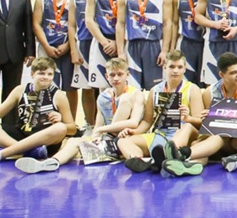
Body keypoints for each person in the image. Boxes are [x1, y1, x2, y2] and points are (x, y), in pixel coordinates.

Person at [14, 57, 144, 174]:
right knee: (74, 141)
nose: (116, 78)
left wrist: (101, 130)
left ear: (127, 75)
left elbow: (133, 123)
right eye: (112, 75)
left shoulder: (135, 94)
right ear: (106, 76)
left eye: (120, 74)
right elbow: (98, 123)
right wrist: (96, 136)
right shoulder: (104, 96)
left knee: (125, 99)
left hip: (125, 140)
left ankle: (134, 159)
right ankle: (51, 163)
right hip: (108, 139)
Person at [0, 56, 74, 165]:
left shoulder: (58, 96)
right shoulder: (20, 90)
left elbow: (72, 128)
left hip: (45, 141)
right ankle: (27, 151)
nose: (46, 77)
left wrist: (60, 120)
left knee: (60, 128)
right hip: (21, 135)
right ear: (32, 74)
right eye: (41, 73)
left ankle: (5, 152)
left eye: (50, 74)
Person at [117, 50, 204, 176]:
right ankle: (140, 161)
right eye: (172, 67)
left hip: (184, 134)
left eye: (179, 67)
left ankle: (169, 155)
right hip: (161, 134)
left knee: (187, 126)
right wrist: (134, 132)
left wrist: (188, 118)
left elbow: (200, 122)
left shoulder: (192, 89)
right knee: (123, 141)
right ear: (164, 67)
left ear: (185, 69)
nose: (175, 71)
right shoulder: (155, 90)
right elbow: (147, 121)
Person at [185, 53, 237, 170]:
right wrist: (208, 119)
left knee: (226, 140)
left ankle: (185, 157)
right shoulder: (209, 93)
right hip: (221, 140)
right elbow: (209, 127)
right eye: (233, 73)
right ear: (221, 75)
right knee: (203, 142)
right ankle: (187, 165)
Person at [32, 0, 80, 117]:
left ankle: (70, 121)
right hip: (47, 48)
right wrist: (46, 46)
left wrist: (68, 45)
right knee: (45, 84)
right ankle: (44, 119)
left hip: (68, 47)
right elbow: (36, 24)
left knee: (71, 87)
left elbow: (77, 25)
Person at [124, 0, 171, 90]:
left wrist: (165, 50)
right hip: (132, 45)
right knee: (132, 89)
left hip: (154, 44)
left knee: (157, 90)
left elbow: (168, 23)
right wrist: (121, 52)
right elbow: (120, 24)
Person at [85, 0, 129, 93]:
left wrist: (119, 43)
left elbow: (132, 20)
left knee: (125, 84)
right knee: (104, 86)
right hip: (102, 42)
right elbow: (89, 20)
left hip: (124, 42)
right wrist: (105, 43)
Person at [71, 0, 102, 124]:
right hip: (84, 43)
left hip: (104, 44)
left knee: (106, 87)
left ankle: (106, 124)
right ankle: (89, 123)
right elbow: (71, 25)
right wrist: (73, 50)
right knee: (87, 88)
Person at [175, 0, 208, 86]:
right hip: (186, 42)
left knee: (204, 82)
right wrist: (171, 49)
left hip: (205, 43)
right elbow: (172, 24)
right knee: (182, 82)